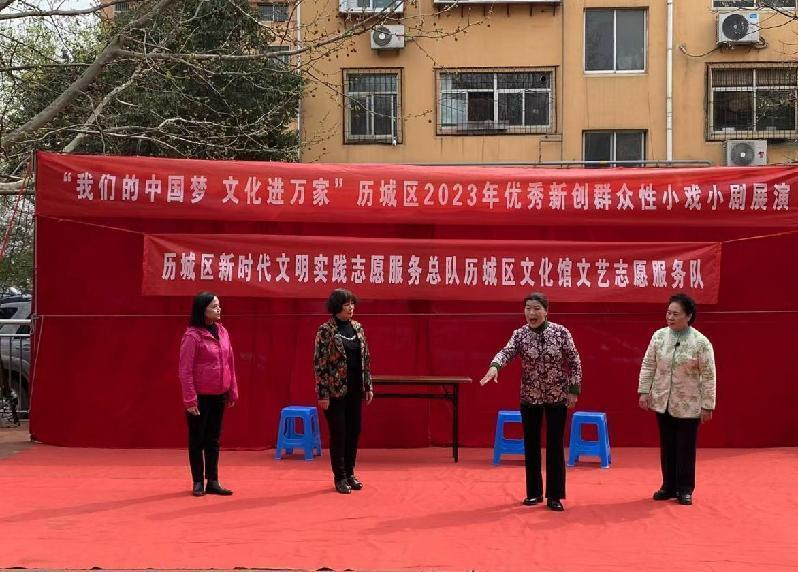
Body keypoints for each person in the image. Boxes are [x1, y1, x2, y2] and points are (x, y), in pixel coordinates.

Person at [480, 292, 582, 512]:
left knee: (554, 445)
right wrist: (494, 367)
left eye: (536, 308)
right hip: (530, 396)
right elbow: (506, 352)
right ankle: (534, 492)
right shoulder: (520, 335)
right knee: (531, 444)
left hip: (557, 395)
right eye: (528, 308)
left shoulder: (561, 333)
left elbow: (574, 362)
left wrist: (573, 390)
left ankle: (554, 495)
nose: (531, 313)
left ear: (546, 311)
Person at [638, 292, 716, 506]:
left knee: (685, 447)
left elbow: (709, 375)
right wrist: (644, 391)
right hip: (662, 400)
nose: (670, 317)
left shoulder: (700, 342)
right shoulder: (659, 337)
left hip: (689, 403)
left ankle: (685, 488)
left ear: (688, 316)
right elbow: (648, 364)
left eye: (675, 314)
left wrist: (708, 405)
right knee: (667, 445)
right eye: (668, 313)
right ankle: (668, 486)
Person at [314, 288, 374, 494]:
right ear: (336, 307)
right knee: (339, 433)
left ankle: (350, 473)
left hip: (355, 389)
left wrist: (368, 385)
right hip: (335, 391)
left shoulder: (358, 328)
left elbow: (366, 359)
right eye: (346, 304)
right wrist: (323, 393)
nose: (351, 308)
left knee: (354, 431)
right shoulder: (326, 331)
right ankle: (339, 477)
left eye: (352, 304)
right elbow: (319, 364)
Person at [178, 292, 238, 497]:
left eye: (218, 305)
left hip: (219, 394)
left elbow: (229, 362)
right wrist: (190, 400)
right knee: (197, 440)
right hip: (200, 396)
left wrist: (232, 390)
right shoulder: (192, 336)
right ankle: (197, 481)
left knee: (213, 439)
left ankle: (213, 480)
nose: (218, 309)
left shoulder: (222, 331)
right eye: (213, 306)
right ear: (202, 310)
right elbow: (185, 370)